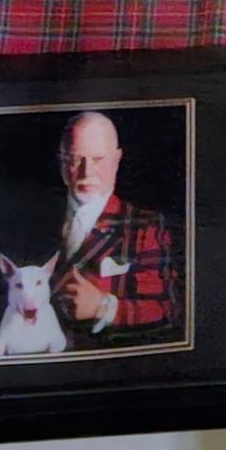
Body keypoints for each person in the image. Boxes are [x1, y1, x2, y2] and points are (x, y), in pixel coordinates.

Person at [51, 110, 177, 348]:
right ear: (61, 161)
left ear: (117, 159)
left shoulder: (144, 227)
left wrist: (103, 307)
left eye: (98, 160)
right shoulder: (31, 221)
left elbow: (167, 309)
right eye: (75, 159)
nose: (87, 172)